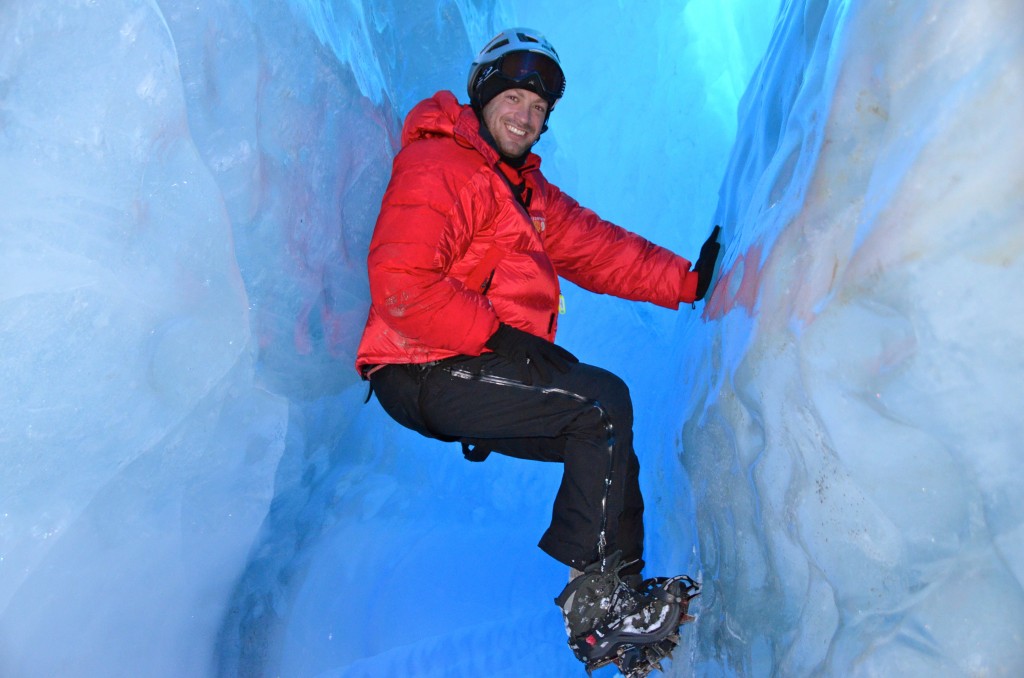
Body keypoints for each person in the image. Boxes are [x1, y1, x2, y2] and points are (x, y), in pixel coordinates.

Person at [355, 27, 716, 672]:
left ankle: (618, 597)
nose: (526, 117)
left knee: (603, 428)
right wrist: (497, 336)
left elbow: (598, 248)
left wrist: (689, 281)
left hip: (463, 360)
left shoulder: (522, 192)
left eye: (539, 107)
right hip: (418, 366)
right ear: (484, 97)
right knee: (598, 405)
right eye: (514, 99)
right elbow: (400, 286)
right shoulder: (441, 166)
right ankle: (599, 608)